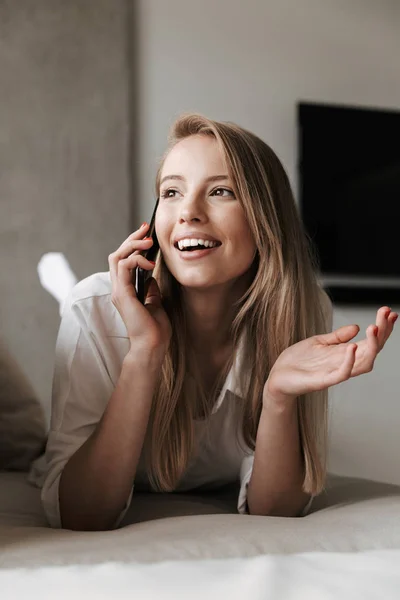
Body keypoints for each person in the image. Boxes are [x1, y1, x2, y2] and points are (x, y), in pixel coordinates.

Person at [38, 114, 397, 531]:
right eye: (171, 192)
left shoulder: (301, 306)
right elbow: (81, 515)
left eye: (221, 191)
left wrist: (278, 395)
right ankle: (58, 286)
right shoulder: (95, 308)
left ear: (266, 220)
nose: (188, 211)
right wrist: (145, 351)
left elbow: (276, 511)